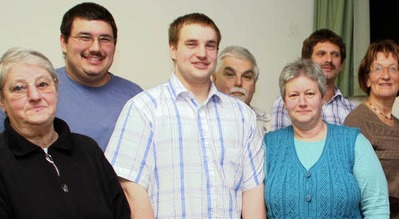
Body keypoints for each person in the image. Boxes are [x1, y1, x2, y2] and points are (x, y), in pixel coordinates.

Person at [104, 13, 265, 218]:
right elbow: (131, 189)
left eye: (210, 45)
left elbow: (252, 190)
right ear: (173, 49)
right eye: (191, 44)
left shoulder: (242, 116)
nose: (202, 53)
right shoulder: (143, 109)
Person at [0, 47, 130, 218]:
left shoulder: (88, 149)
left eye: (42, 84)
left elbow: (121, 212)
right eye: (19, 88)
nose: (34, 95)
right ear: (2, 101)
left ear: (56, 88)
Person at [0, 3, 143, 150]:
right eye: (85, 37)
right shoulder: (36, 92)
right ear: (64, 42)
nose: (95, 48)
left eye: (105, 39)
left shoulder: (135, 97)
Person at [263, 58, 389, 218]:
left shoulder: (354, 143)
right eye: (293, 95)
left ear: (322, 98)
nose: (302, 102)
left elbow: (376, 206)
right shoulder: (269, 146)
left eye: (310, 94)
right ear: (284, 102)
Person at [344, 39, 399, 218]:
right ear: (367, 79)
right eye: (378, 68)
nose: (386, 75)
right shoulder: (357, 121)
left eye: (393, 68)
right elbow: (349, 188)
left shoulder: (398, 124)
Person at [271, 29, 355, 130]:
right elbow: (280, 143)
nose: (329, 59)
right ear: (307, 61)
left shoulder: (351, 109)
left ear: (342, 65)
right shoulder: (286, 103)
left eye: (335, 54)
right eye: (321, 54)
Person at [213, 46, 270, 134]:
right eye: (230, 74)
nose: (238, 83)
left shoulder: (269, 126)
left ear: (254, 85)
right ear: (214, 79)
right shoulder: (198, 120)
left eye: (246, 77)